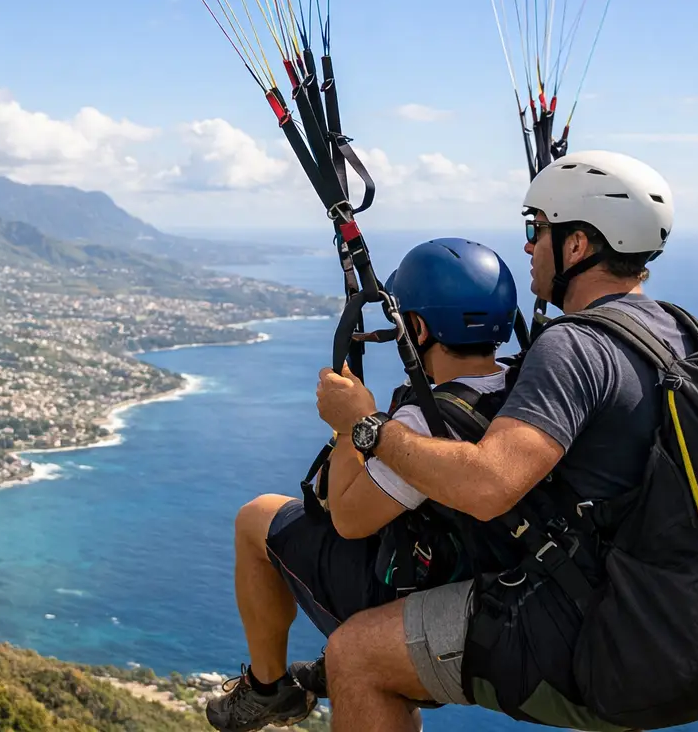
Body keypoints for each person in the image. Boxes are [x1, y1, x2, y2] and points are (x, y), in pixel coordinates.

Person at [313, 150, 693, 732]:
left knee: (354, 655)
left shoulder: (575, 348)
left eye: (536, 229)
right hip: (659, 609)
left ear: (577, 246)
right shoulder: (676, 329)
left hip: (585, 626)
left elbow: (488, 485)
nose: (528, 245)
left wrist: (364, 427)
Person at [205, 238, 521, 732]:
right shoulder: (521, 391)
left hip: (419, 590)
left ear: (415, 327)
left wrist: (350, 424)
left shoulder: (422, 422)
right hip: (490, 576)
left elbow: (349, 519)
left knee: (256, 517)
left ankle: (268, 689)